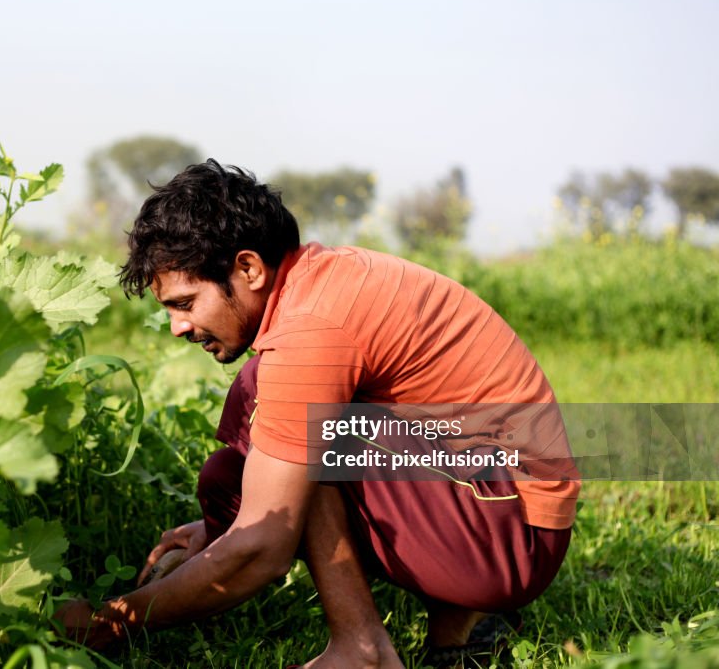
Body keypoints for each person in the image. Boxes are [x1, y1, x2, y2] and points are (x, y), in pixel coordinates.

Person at [55, 159, 580, 667]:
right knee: (230, 476)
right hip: (490, 501)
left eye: (185, 303)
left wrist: (109, 621)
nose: (177, 327)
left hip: (511, 530)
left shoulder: (312, 328)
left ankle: (364, 647)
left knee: (283, 413)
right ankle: (454, 622)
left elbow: (263, 548)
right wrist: (219, 530)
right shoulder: (320, 284)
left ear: (249, 268)